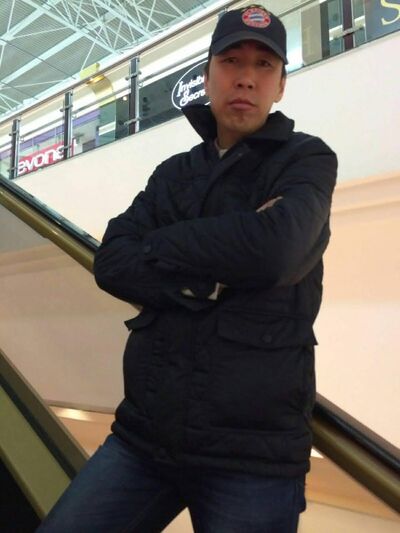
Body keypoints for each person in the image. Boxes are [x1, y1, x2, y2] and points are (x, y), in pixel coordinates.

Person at [38, 5, 337, 532]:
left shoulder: (306, 160)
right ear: (208, 76)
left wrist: (159, 245)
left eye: (264, 65)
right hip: (144, 439)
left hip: (253, 458)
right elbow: (112, 261)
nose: (246, 77)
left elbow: (276, 250)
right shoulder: (173, 173)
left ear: (280, 86)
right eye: (231, 61)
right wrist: (216, 268)